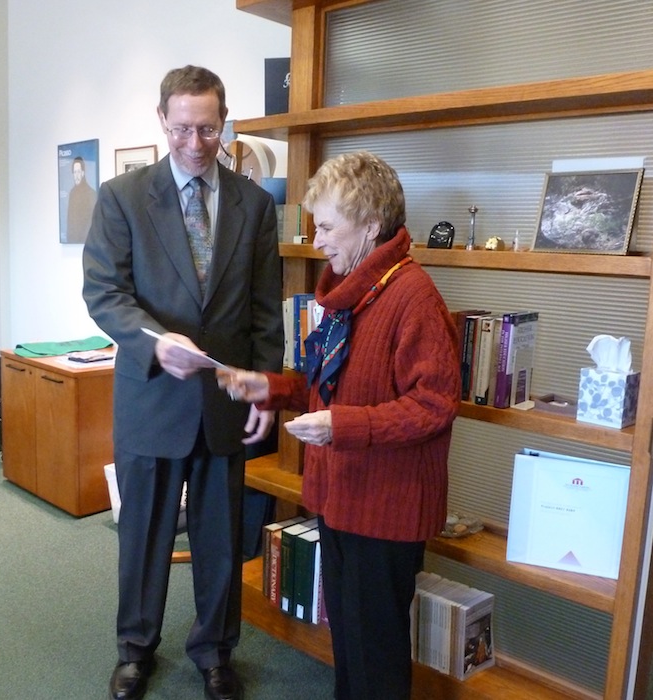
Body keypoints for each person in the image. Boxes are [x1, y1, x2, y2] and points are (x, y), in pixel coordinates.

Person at [218, 151, 461, 700]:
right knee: (350, 640)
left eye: (327, 226)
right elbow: (325, 387)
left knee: (375, 652)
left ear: (371, 226)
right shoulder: (349, 293)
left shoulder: (412, 296)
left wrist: (342, 427)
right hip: (343, 496)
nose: (318, 239)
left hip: (386, 507)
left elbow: (435, 404)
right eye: (314, 225)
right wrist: (273, 388)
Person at [82, 65, 283, 700]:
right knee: (143, 534)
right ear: (162, 120)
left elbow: (264, 310)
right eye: (182, 129)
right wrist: (155, 341)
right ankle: (135, 649)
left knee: (221, 540)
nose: (196, 143)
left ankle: (215, 651)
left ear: (224, 122)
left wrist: (267, 389)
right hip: (151, 396)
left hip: (224, 401)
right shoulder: (121, 197)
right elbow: (104, 292)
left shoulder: (253, 204)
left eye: (209, 129)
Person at [66, 156, 98, 243]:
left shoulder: (91, 193)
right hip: (73, 241)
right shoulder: (72, 193)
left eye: (78, 172)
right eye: (74, 172)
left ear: (83, 173)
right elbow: (70, 222)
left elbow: (92, 223)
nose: (76, 176)